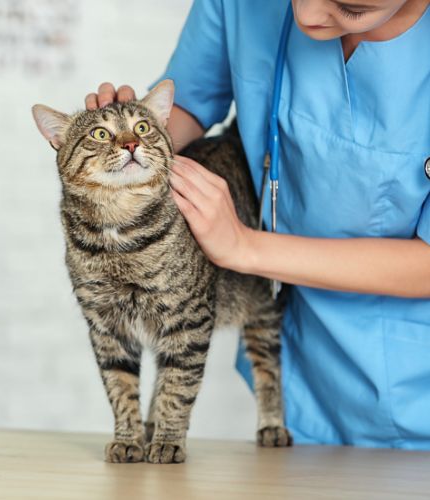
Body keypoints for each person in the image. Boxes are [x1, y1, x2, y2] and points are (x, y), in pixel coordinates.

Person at [84, 0, 430, 449]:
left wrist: (245, 248)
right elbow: (186, 101)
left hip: (415, 394)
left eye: (351, 8)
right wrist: (129, 141)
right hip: (299, 377)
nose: (306, 15)